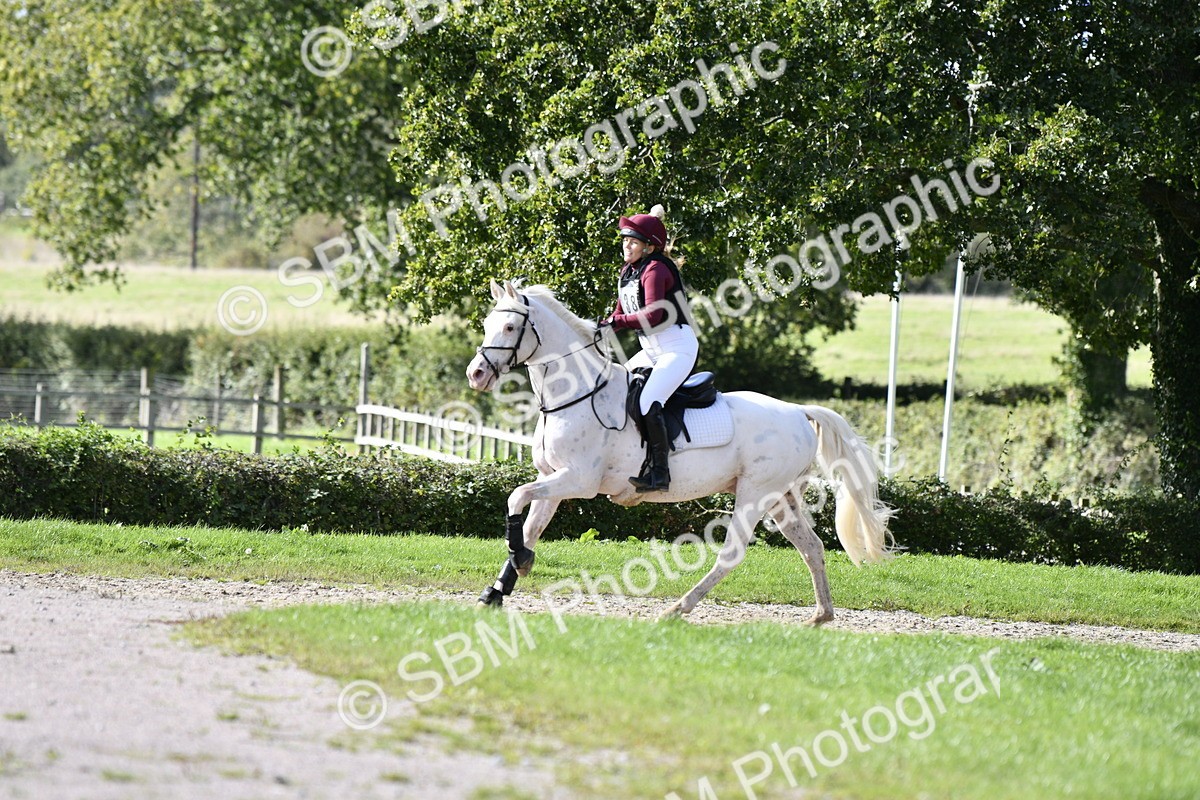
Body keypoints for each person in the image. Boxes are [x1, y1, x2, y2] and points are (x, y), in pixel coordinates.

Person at [600, 204, 699, 493]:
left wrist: (615, 320)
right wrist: (598, 329)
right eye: (624, 240)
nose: (626, 245)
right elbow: (620, 312)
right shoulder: (629, 271)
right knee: (616, 388)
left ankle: (660, 473)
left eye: (632, 241)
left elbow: (654, 315)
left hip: (676, 348)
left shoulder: (655, 269)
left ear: (648, 246)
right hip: (651, 349)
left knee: (647, 402)